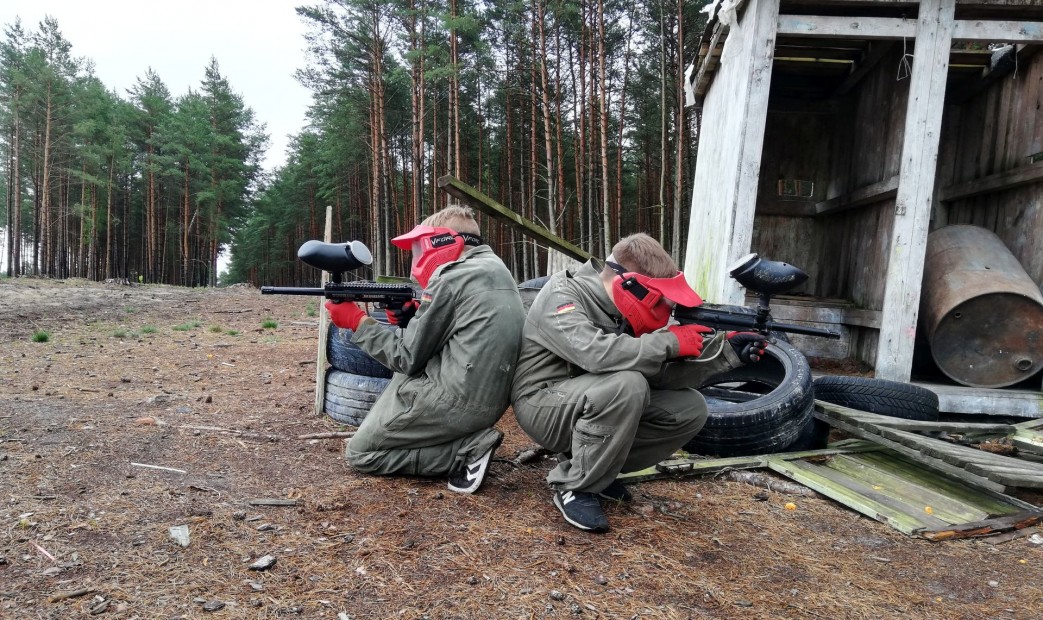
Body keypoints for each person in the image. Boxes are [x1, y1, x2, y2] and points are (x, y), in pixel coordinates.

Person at [510, 233, 766, 532]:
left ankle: (598, 471)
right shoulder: (563, 294)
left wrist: (724, 353)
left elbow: (658, 375)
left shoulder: (622, 311)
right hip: (542, 402)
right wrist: (668, 343)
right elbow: (595, 355)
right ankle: (575, 486)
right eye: (663, 301)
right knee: (627, 384)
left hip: (589, 400)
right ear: (630, 286)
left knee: (689, 408)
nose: (667, 311)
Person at [325, 205, 525, 494]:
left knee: (361, 454)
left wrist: (357, 323)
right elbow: (463, 330)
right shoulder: (495, 269)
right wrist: (412, 318)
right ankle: (463, 440)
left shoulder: (452, 277)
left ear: (441, 242)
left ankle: (467, 449)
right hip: (487, 399)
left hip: (456, 402)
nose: (416, 258)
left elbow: (405, 358)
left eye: (419, 248)